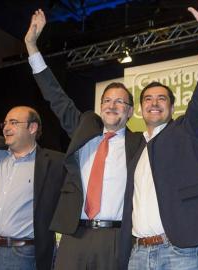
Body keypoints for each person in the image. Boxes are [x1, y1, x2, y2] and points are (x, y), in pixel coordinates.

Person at [25, 9, 143, 270]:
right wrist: (31, 46)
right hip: (74, 236)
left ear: (131, 111)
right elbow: (55, 95)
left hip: (116, 239)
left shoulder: (139, 145)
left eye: (119, 102)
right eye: (107, 100)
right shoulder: (84, 132)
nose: (112, 106)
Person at [120, 1, 198, 269]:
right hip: (137, 254)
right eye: (148, 98)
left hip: (179, 252)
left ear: (172, 107)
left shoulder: (186, 131)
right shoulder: (133, 145)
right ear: (140, 108)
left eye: (161, 99)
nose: (154, 102)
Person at [0, 106, 66, 270]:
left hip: (20, 258)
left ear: (32, 128)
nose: (6, 128)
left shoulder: (54, 164)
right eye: (5, 123)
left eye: (14, 122)